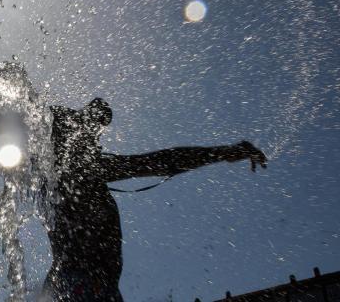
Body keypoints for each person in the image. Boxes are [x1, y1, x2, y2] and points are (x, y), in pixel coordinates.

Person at [42, 98, 267, 302]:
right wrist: (224, 153)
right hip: (84, 288)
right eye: (92, 136)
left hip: (73, 286)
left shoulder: (61, 176)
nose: (98, 142)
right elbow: (162, 161)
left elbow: (161, 161)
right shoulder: (82, 170)